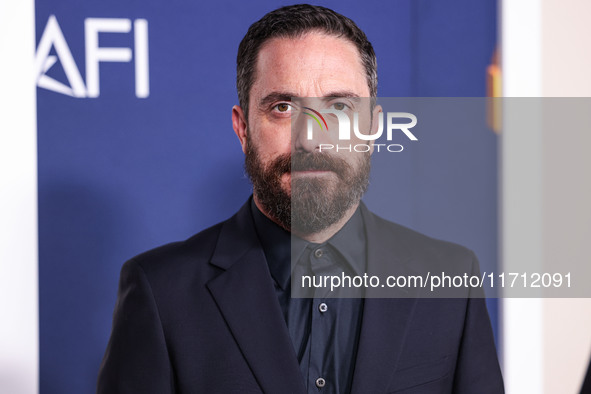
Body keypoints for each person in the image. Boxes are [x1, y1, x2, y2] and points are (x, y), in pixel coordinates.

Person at [97, 4, 504, 393]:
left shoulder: (451, 278)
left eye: (340, 106)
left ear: (374, 127)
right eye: (282, 107)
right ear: (243, 129)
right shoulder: (162, 290)